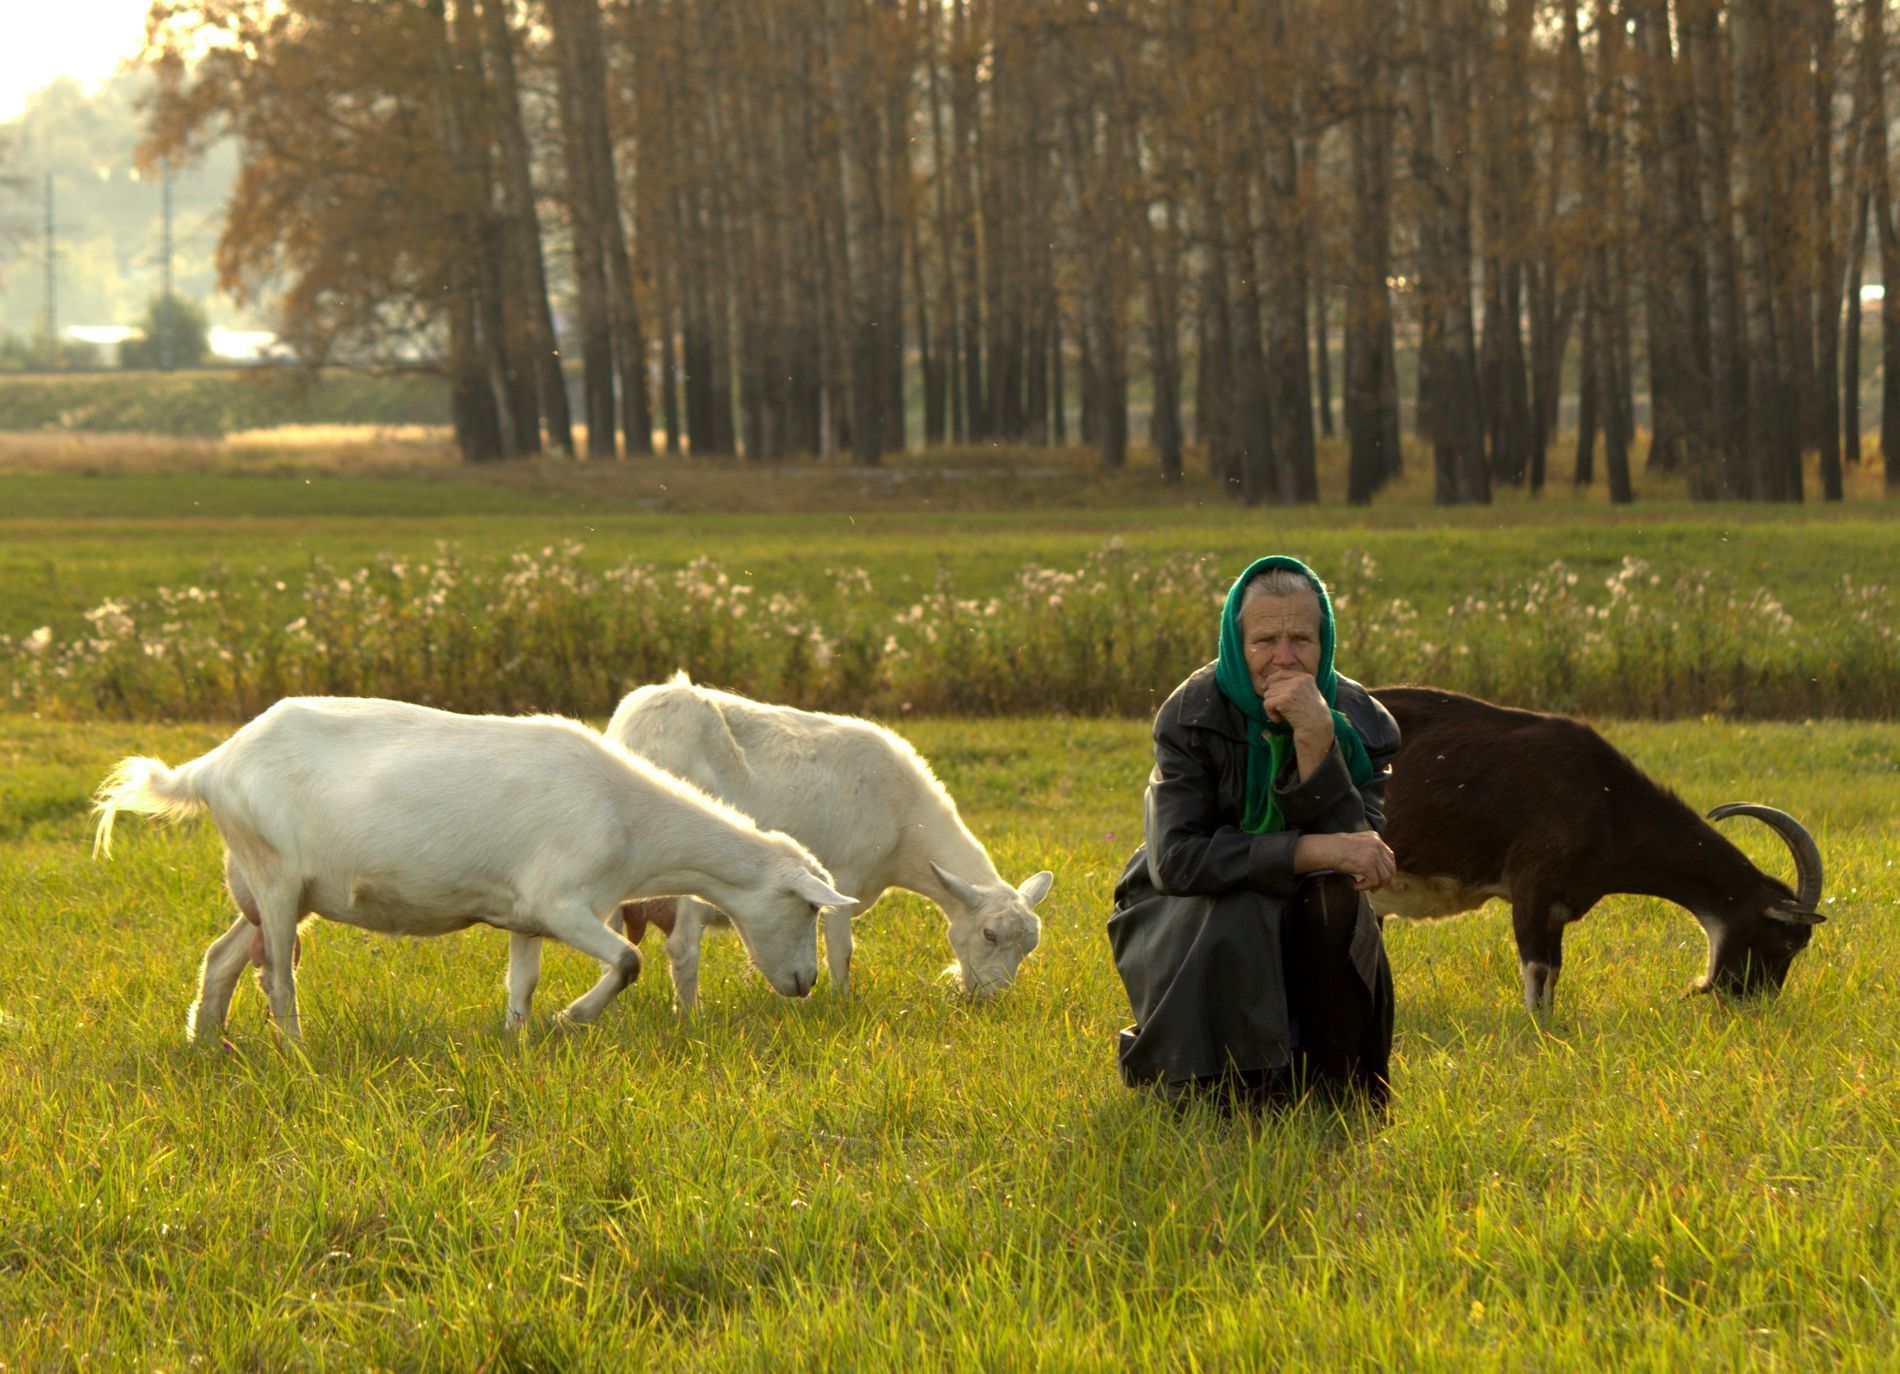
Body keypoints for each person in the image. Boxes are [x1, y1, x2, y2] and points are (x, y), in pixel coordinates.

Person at [1107, 555, 1401, 1111]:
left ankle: (1330, 1087)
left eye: (1302, 640)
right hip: (1187, 909)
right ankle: (1225, 1086)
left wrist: (1317, 739)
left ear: (1326, 642)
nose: (1284, 658)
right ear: (1236, 644)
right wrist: (1311, 849)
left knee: (1333, 899)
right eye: (1265, 640)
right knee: (1245, 903)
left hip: (1305, 911)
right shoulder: (1191, 713)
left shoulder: (1361, 722)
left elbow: (1362, 858)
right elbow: (1178, 861)